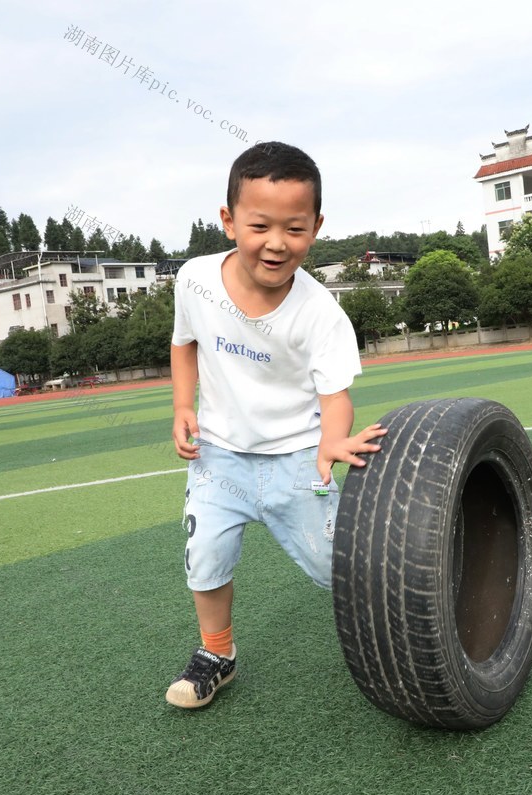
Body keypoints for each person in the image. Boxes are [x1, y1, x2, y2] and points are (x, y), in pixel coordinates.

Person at [166, 141, 387, 708]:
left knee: (344, 569)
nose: (276, 243)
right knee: (204, 560)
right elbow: (184, 343)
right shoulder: (193, 278)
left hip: (296, 459)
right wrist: (182, 406)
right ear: (228, 219)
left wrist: (333, 439)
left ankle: (409, 625)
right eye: (259, 224)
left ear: (315, 226)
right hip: (219, 456)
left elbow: (335, 396)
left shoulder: (321, 313)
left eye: (294, 228)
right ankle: (217, 653)